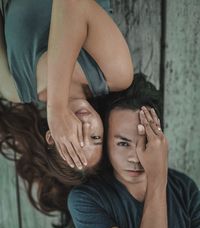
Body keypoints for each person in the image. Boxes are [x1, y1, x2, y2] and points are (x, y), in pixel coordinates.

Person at [68, 74, 200, 228]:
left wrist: (158, 176)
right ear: (105, 143)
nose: (136, 157)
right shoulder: (87, 199)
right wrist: (157, 179)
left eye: (146, 141)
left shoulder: (185, 190)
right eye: (123, 143)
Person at [0, 0, 134, 169]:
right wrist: (57, 106)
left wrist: (57, 107)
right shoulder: (114, 74)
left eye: (76, 139)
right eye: (95, 137)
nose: (85, 126)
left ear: (52, 137)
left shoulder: (14, 88)